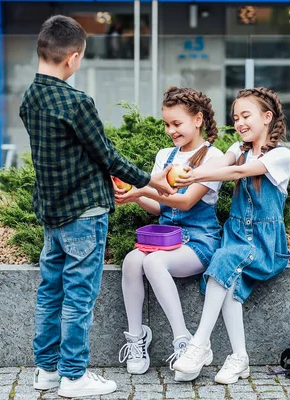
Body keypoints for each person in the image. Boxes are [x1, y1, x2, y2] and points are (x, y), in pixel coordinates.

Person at [19, 15, 174, 398]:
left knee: (50, 292)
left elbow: (63, 153)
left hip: (52, 214)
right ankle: (74, 376)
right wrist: (149, 181)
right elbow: (106, 155)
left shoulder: (30, 99)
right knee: (79, 296)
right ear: (72, 58)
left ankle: (47, 371)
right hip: (84, 214)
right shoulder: (76, 102)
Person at [172, 87, 290, 384]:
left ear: (267, 117)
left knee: (224, 261)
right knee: (230, 288)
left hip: (264, 245)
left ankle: (199, 343)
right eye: (235, 117)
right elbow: (220, 165)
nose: (239, 122)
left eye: (246, 115)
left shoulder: (280, 155)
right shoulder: (237, 149)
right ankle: (240, 358)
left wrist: (195, 177)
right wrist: (185, 171)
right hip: (236, 237)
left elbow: (239, 173)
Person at [114, 87, 223, 381]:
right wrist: (134, 197)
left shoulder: (214, 158)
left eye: (177, 124)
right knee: (131, 262)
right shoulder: (165, 155)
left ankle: (184, 342)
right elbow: (157, 207)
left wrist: (141, 188)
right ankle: (137, 339)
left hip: (200, 241)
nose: (170, 130)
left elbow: (186, 201)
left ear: (198, 119)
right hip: (165, 238)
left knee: (152, 262)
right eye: (167, 124)